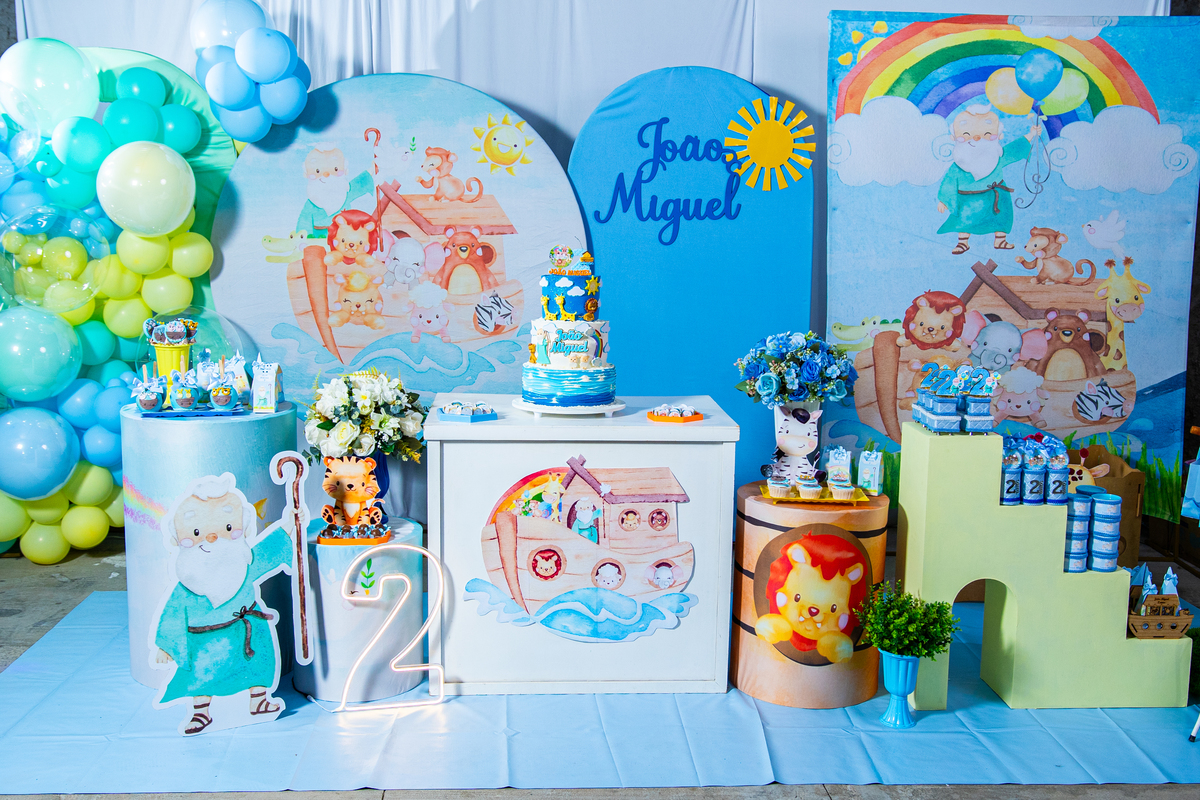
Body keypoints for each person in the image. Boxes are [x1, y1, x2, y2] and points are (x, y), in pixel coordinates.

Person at [152, 473, 296, 736]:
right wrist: (167, 645)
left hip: (247, 633)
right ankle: (201, 711)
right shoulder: (188, 584)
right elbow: (173, 615)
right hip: (204, 642)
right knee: (200, 674)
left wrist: (289, 525)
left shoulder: (241, 564)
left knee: (258, 665)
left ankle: (259, 700)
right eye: (197, 533)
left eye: (227, 528)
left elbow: (268, 552)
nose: (211, 537)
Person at [937, 105, 1040, 255]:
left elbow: (1013, 150)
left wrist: (1031, 135)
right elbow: (949, 182)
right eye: (967, 134)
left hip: (996, 196)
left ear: (998, 136)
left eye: (986, 134)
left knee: (1001, 217)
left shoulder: (996, 157)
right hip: (968, 199)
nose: (977, 138)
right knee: (964, 219)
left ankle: (1000, 240)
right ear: (954, 138)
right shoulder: (959, 165)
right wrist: (944, 200)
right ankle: (963, 242)